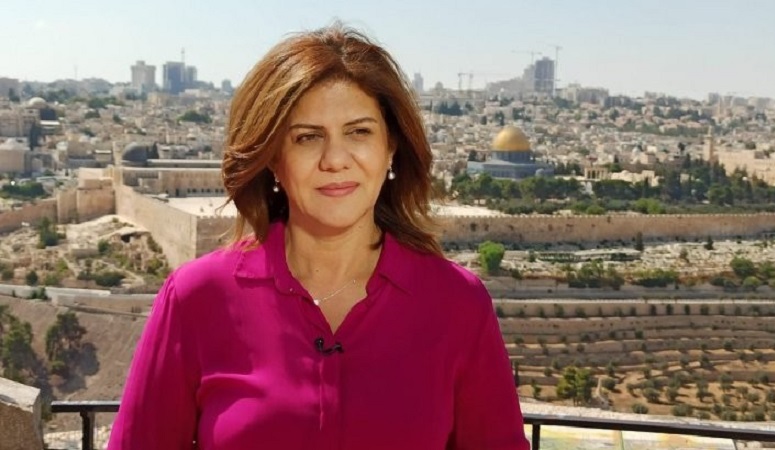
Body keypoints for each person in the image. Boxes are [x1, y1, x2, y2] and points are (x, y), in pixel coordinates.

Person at [108, 23, 527, 450]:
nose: (335, 159)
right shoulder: (197, 298)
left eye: (359, 132)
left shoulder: (456, 305)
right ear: (274, 159)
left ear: (391, 149)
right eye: (307, 138)